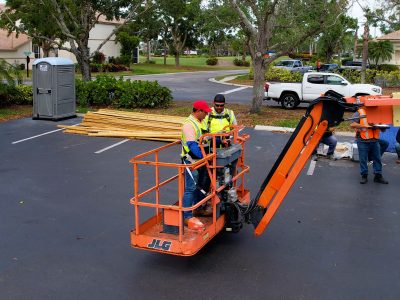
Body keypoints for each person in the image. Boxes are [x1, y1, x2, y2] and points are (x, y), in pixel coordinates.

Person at [181, 100, 212, 230]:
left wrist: (219, 138)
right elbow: (192, 145)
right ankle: (187, 217)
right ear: (198, 111)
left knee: (203, 184)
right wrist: (204, 156)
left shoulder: (201, 121)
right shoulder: (188, 125)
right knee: (191, 188)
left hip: (201, 160)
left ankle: (199, 208)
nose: (206, 115)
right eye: (205, 112)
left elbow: (206, 136)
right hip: (190, 161)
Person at [350, 106, 388, 184]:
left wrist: (382, 127)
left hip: (375, 140)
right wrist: (364, 126)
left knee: (377, 158)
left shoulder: (378, 112)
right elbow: (352, 124)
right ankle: (364, 175)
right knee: (363, 159)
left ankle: (378, 175)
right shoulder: (360, 112)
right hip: (362, 140)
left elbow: (382, 128)